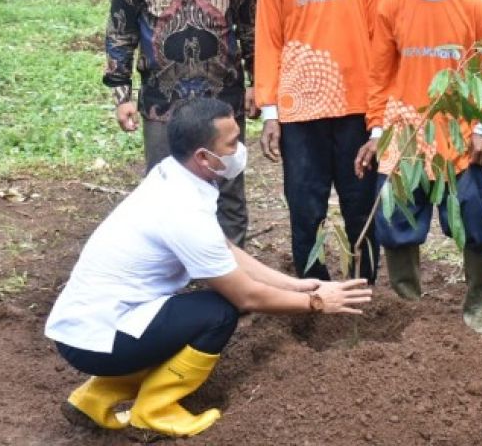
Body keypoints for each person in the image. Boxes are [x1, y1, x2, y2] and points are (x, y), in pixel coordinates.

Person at [47, 97, 371, 440]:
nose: (240, 149)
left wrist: (296, 285)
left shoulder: (173, 175)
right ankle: (153, 411)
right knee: (218, 312)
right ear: (203, 157)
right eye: (231, 144)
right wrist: (319, 302)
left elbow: (224, 249)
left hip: (89, 325)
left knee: (190, 314)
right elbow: (246, 296)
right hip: (96, 340)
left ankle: (94, 397)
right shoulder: (182, 212)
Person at [354, 0, 482, 334]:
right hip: (405, 134)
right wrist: (378, 130)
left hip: (458, 137)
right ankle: (408, 310)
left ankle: (477, 309)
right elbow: (379, 75)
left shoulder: (473, 6)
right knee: (396, 225)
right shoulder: (393, 5)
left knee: (473, 221)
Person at [104, 0, 257, 245]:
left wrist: (259, 84)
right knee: (166, 189)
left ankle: (228, 280)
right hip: (163, 100)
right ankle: (173, 280)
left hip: (223, 97)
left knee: (229, 189)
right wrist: (121, 95)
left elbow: (250, 26)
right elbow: (120, 31)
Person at [255, 0, 384, 282]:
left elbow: (379, 38)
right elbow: (269, 41)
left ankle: (364, 286)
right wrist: (270, 112)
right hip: (299, 111)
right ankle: (314, 289)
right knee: (305, 206)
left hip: (357, 107)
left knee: (360, 203)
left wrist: (381, 117)